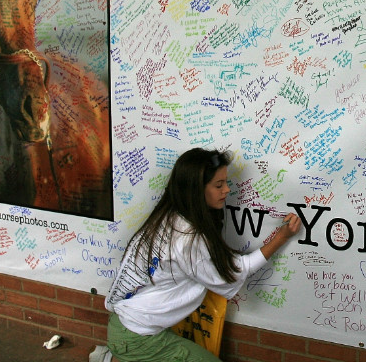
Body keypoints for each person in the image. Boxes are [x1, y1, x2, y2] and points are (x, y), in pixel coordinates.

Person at [89, 148, 301, 362]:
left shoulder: (170, 216)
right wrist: (281, 237)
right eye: (218, 185)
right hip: (137, 337)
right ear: (195, 190)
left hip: (124, 326)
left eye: (226, 182)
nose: (226, 190)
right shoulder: (188, 239)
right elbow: (237, 271)